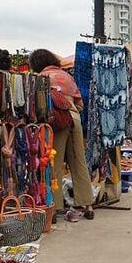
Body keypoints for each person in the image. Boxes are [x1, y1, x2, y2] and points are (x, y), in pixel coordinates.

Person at [30, 49, 95, 221]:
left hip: (56, 124)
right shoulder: (67, 77)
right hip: (75, 120)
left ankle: (56, 206)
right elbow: (80, 104)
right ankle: (88, 204)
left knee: (55, 165)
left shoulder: (41, 79)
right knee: (79, 162)